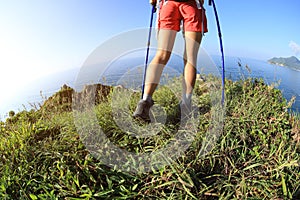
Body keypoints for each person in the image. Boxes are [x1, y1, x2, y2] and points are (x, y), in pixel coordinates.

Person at [133, 0, 208, 123]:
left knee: (161, 55)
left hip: (168, 4)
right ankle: (186, 104)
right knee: (190, 58)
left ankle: (145, 101)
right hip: (192, 6)